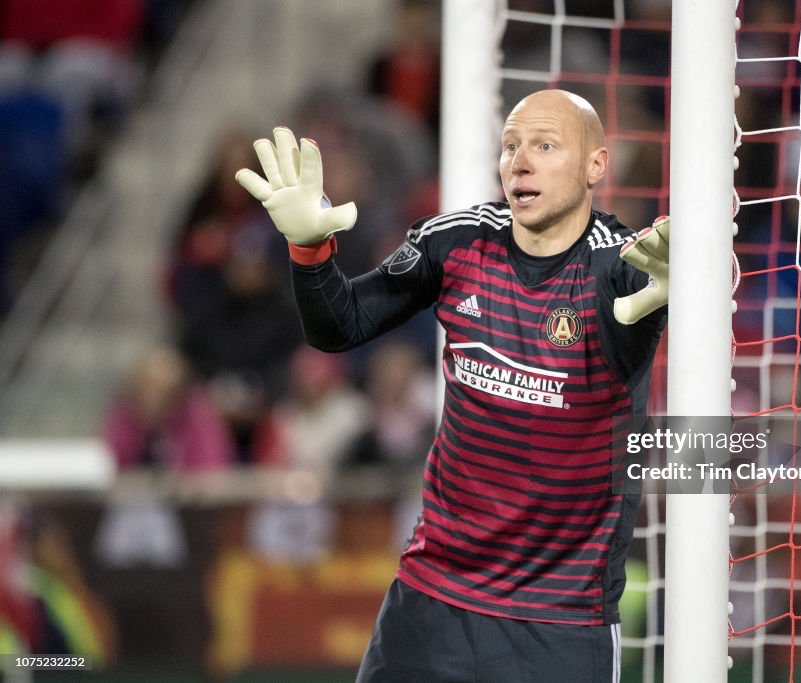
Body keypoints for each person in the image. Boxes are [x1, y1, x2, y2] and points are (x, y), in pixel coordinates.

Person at [236, 88, 670, 682]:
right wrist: (309, 249)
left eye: (545, 145)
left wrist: (700, 275)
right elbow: (340, 327)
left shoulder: (620, 268)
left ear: (596, 166)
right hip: (432, 597)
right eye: (511, 145)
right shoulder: (458, 241)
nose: (520, 160)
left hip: (560, 621)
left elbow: (667, 286)